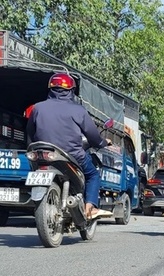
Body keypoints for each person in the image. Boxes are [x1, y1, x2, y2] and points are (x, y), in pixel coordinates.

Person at [26, 72, 114, 219]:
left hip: (42, 154)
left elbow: (30, 133)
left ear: (51, 88)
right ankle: (90, 207)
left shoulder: (37, 108)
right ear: (71, 90)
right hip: (72, 155)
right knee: (93, 175)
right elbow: (93, 137)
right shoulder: (78, 110)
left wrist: (31, 148)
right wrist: (102, 143)